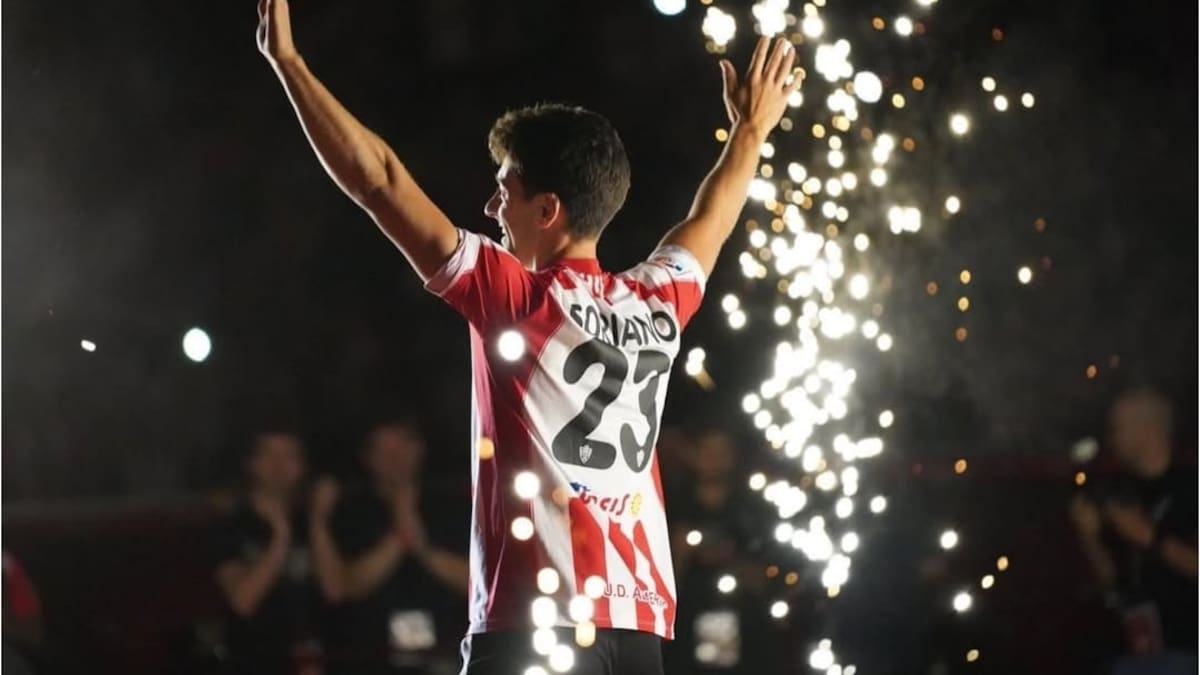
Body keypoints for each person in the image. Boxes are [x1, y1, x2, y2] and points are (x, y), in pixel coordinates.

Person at [256, 1, 800, 671]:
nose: (491, 208)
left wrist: (291, 66)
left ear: (547, 210)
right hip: (636, 634)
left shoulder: (513, 295)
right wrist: (751, 129)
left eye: (502, 188)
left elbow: (380, 180)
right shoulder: (661, 299)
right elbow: (713, 215)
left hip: (534, 622)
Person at [310, 420, 469, 674]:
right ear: (367, 458)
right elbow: (344, 586)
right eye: (384, 452)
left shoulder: (453, 506)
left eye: (403, 448)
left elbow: (476, 583)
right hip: (370, 657)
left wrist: (424, 550)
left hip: (446, 656)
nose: (395, 459)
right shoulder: (350, 511)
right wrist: (398, 535)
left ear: (419, 449)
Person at [1069, 386, 1197, 674]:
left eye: (1118, 428)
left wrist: (1146, 535)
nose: (1112, 438)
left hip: (1187, 653)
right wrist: (1089, 537)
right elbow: (1112, 584)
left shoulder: (1192, 486)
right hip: (1132, 654)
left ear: (1147, 428)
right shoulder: (1122, 493)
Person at [214, 429, 325, 675]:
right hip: (254, 660)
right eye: (268, 455)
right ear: (251, 464)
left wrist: (318, 519)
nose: (279, 465)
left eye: (289, 456)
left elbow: (335, 590)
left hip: (316, 657)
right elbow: (243, 601)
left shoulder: (314, 521)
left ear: (302, 466)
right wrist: (280, 537)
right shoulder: (231, 523)